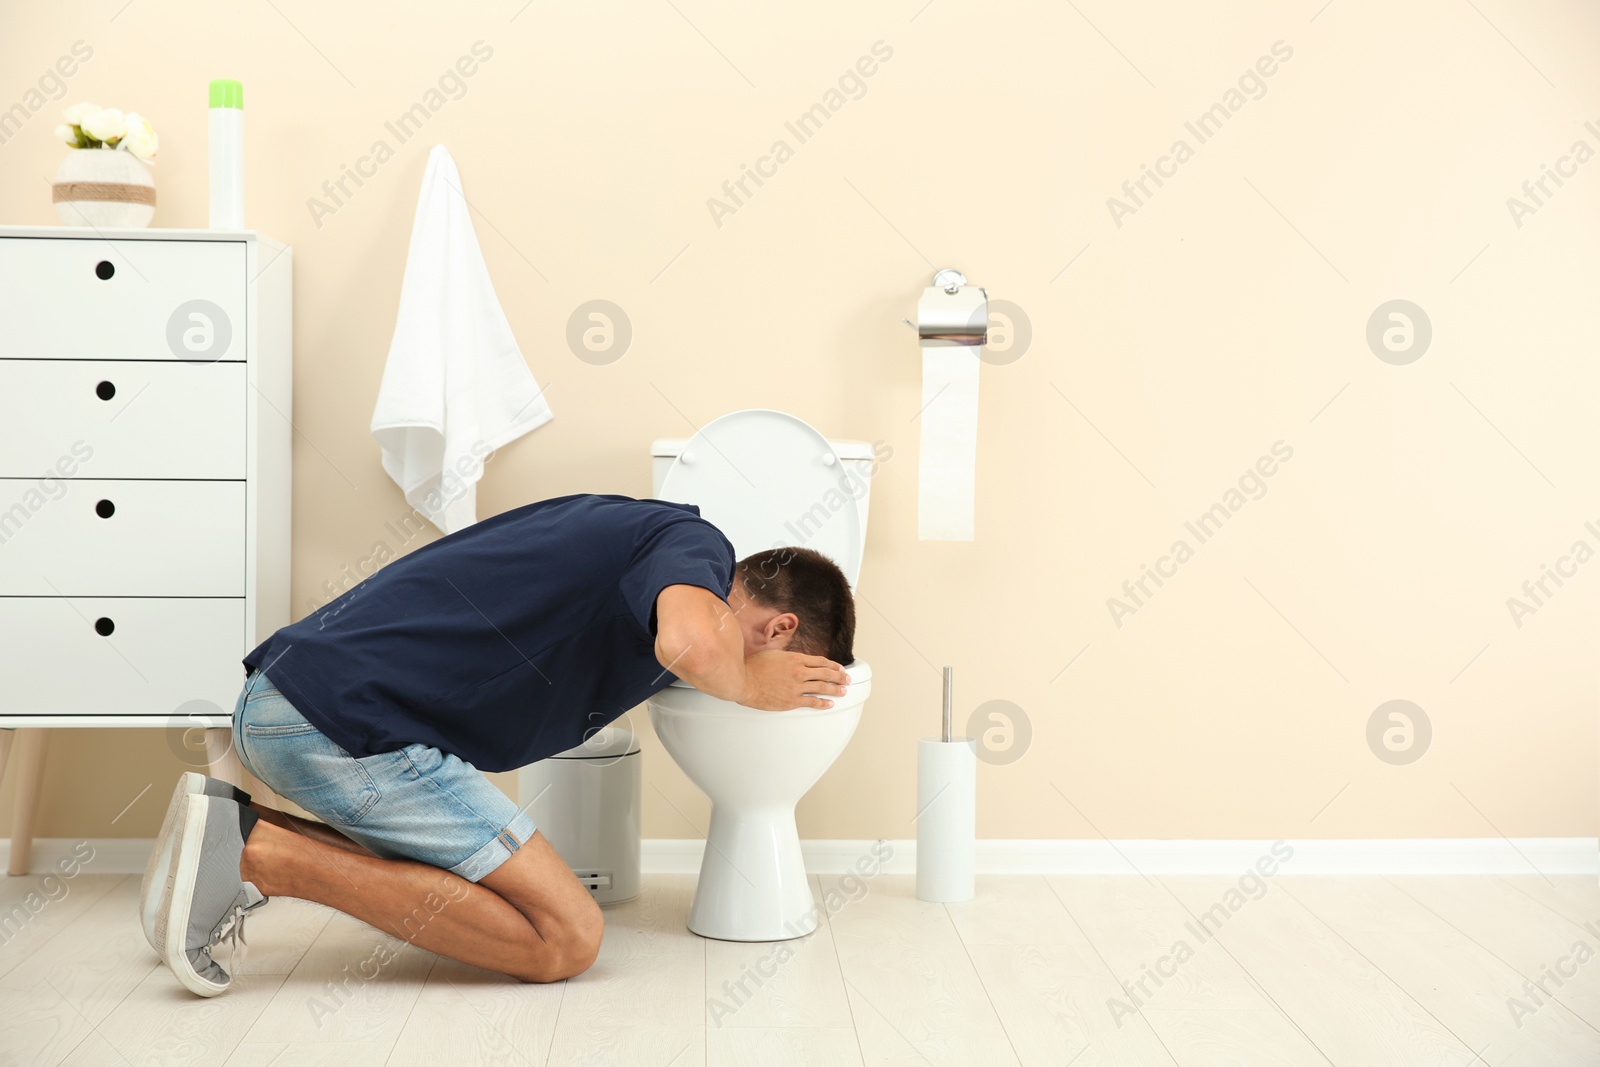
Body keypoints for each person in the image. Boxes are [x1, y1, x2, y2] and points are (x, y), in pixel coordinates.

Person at [143, 493, 855, 997]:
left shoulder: (647, 556)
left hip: (309, 704)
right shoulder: (693, 543)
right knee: (566, 937)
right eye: (794, 678)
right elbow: (695, 642)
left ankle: (231, 831)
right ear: (780, 631)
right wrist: (752, 688)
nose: (773, 687)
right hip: (339, 721)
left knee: (525, 906)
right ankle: (255, 854)